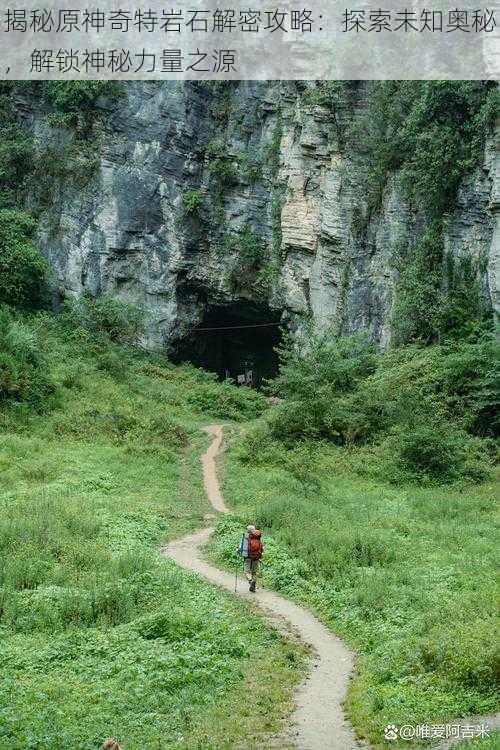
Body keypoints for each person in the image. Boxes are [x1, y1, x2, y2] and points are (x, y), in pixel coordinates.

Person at [237, 524, 263, 592]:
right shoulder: (257, 537)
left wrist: (238, 551)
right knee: (255, 572)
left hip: (247, 557)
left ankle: (251, 581)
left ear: (247, 530)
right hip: (256, 557)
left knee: (247, 571)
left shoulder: (245, 537)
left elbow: (240, 548)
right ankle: (254, 583)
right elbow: (261, 546)